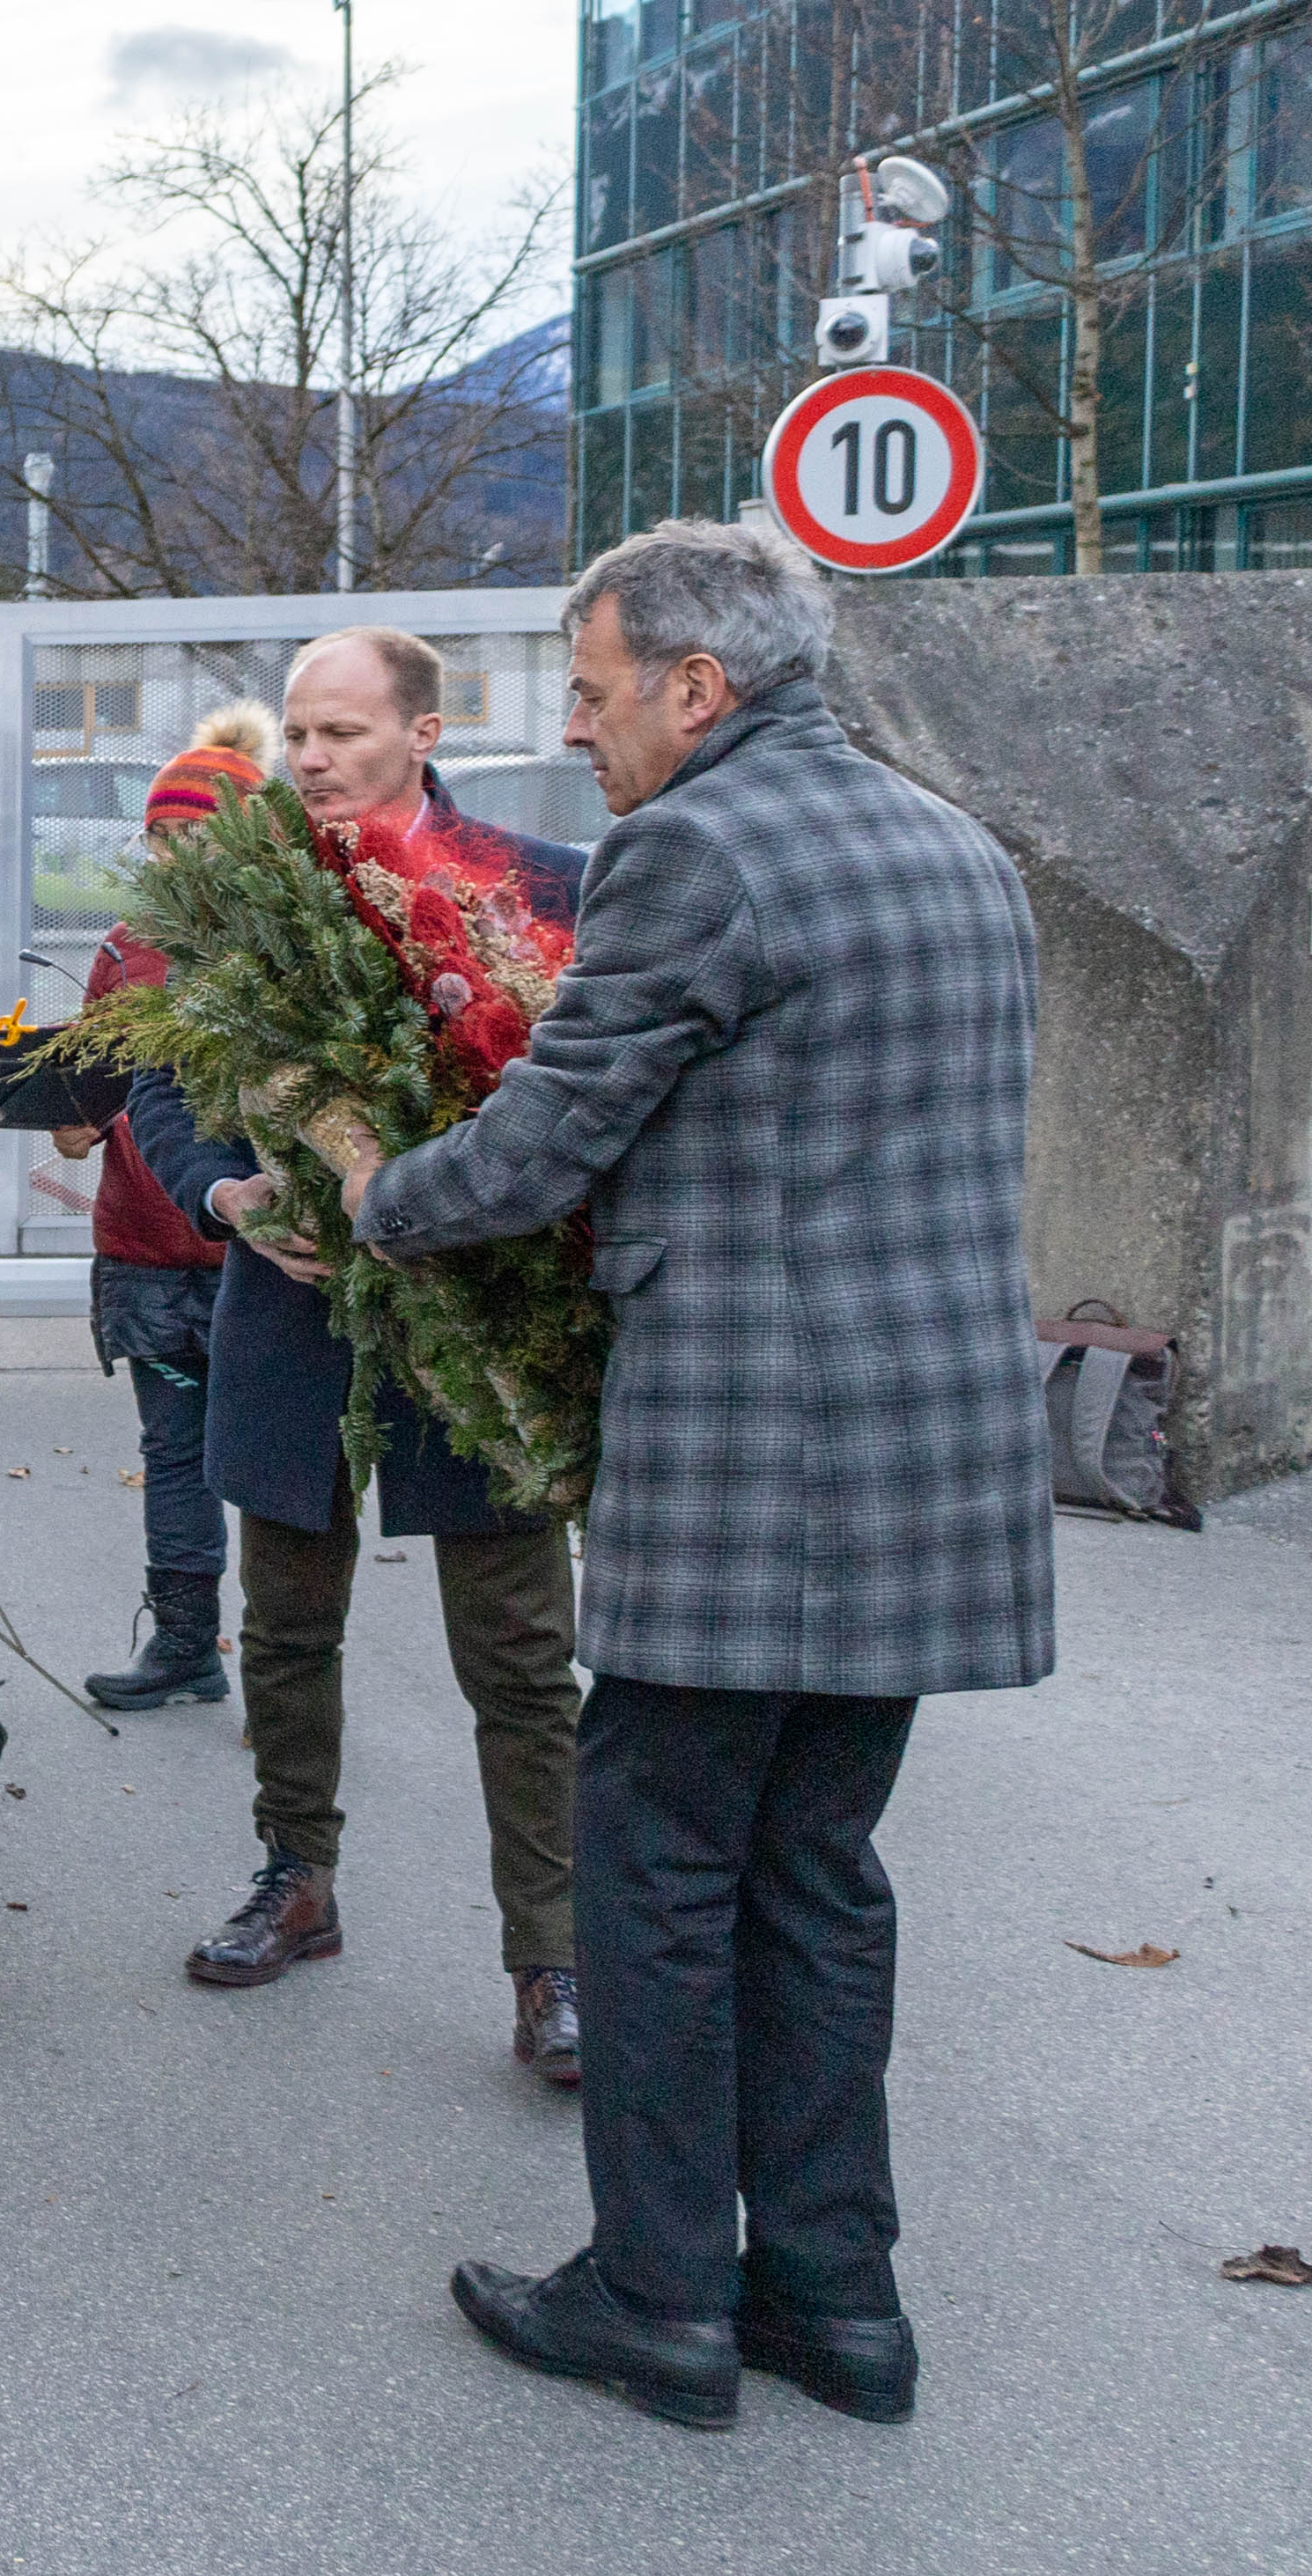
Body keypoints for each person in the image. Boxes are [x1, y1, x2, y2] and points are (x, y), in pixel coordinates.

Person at [339, 521, 1050, 2432]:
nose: (575, 731)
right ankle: (838, 2297)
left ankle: (660, 2294)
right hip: (937, 1447)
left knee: (651, 1874)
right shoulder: (955, 842)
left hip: (759, 1458)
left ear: (695, 688)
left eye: (589, 691)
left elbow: (547, 1141)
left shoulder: (693, 847)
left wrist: (368, 1195)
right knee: (817, 1870)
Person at [124, 627, 593, 2088]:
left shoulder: (533, 885)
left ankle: (553, 1958)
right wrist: (223, 1196)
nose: (312, 759)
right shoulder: (238, 895)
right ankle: (294, 1879)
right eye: (297, 733)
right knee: (281, 1627)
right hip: (295, 1306)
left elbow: (585, 1100)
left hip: (471, 1318)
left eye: (340, 733)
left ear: (422, 730)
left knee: (516, 1653)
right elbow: (160, 1083)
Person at [51, 706, 267, 1711]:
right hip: (142, 1245)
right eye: (162, 835)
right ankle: (186, 1644)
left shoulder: (280, 947)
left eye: (198, 832)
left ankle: (285, 1662)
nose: (175, 851)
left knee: (271, 1467)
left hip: (259, 1258)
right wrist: (68, 1124)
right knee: (172, 1452)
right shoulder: (123, 949)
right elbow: (87, 1094)